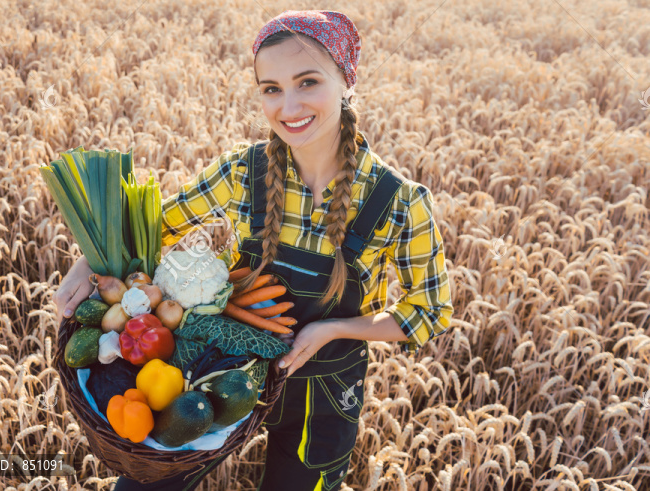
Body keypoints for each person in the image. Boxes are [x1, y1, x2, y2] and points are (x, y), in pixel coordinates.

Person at [52, 10, 454, 491]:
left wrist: (332, 329)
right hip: (221, 367)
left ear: (347, 80)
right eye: (271, 88)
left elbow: (428, 312)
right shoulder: (244, 171)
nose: (289, 106)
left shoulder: (398, 202)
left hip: (323, 393)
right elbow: (158, 225)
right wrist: (89, 261)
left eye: (307, 82)